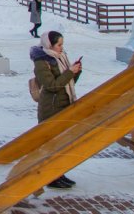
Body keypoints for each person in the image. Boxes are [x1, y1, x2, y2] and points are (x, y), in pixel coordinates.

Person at [30, 31, 82, 189]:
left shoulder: (59, 58)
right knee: (52, 143)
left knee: (61, 144)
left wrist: (76, 72)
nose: (61, 48)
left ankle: (59, 174)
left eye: (62, 44)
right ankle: (51, 176)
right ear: (49, 45)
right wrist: (69, 72)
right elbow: (53, 85)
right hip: (51, 107)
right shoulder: (42, 61)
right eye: (58, 45)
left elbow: (67, 82)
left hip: (63, 104)